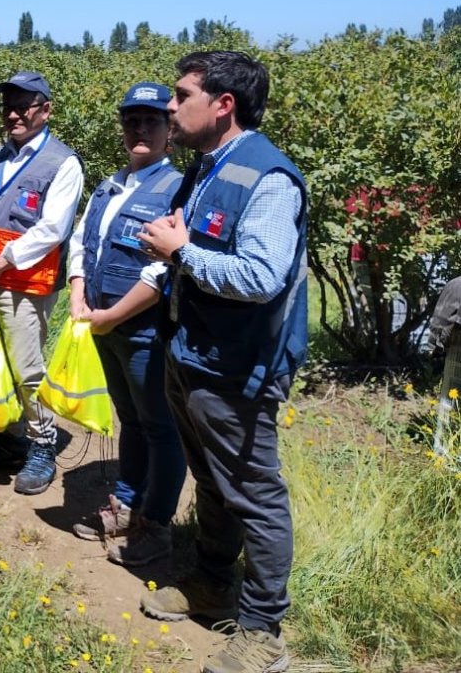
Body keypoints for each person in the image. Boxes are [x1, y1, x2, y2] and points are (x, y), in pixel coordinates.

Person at [135, 51, 307, 673]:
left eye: (181, 97)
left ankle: (263, 631)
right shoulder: (207, 168)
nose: (170, 108)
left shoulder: (267, 178)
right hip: (193, 355)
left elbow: (262, 276)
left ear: (223, 104)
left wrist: (181, 252)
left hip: (239, 367)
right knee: (212, 480)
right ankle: (211, 584)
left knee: (255, 495)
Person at [0, 70, 84, 495]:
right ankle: (7, 433)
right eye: (8, 106)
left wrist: (1, 262)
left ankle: (42, 443)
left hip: (24, 280)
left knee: (26, 366)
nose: (13, 114)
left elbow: (52, 229)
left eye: (23, 105)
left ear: (45, 110)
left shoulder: (63, 163)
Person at [66, 82, 185, 566]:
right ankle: (127, 504)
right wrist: (78, 295)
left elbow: (165, 269)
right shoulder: (110, 184)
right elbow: (81, 241)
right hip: (102, 325)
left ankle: (156, 527)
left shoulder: (178, 188)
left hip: (140, 330)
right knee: (131, 420)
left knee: (161, 427)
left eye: (151, 121)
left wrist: (113, 315)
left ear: (169, 131)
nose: (140, 129)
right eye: (132, 121)